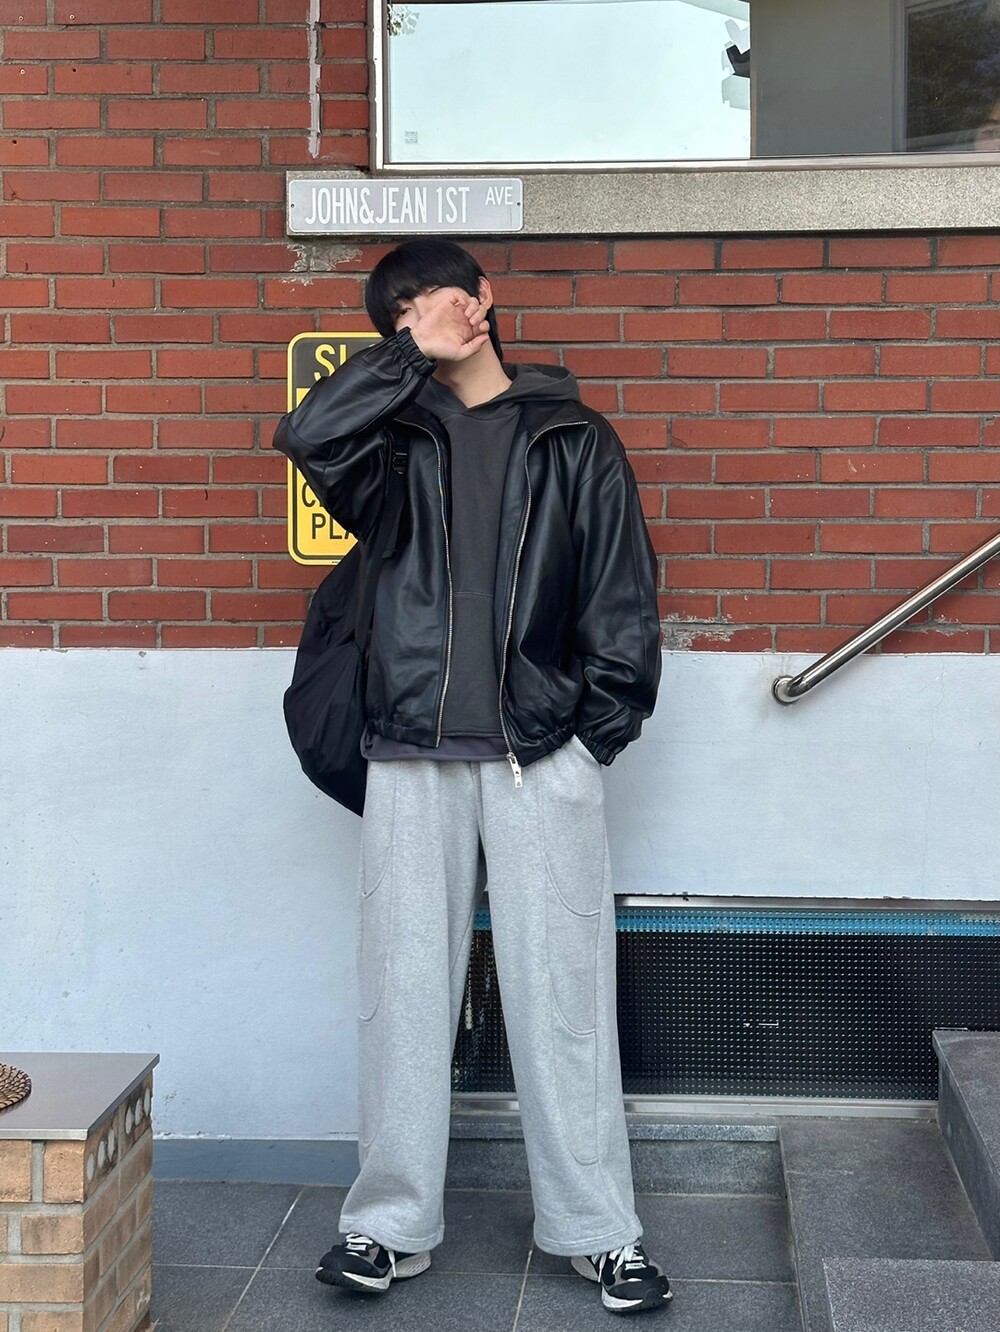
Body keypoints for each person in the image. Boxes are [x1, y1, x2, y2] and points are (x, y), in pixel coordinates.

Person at [272, 239, 668, 1316]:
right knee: (402, 998)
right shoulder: (388, 445)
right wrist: (409, 360)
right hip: (410, 749)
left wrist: (595, 735)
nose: (423, 314)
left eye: (439, 295)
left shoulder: (572, 437)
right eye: (399, 311)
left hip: (543, 754)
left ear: (485, 296)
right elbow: (306, 434)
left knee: (564, 996)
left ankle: (601, 1230)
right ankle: (386, 1226)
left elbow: (621, 592)